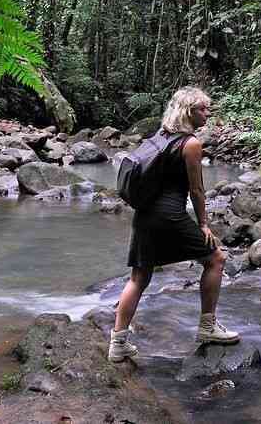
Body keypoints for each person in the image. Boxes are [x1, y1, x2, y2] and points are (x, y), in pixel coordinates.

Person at [108, 86, 239, 362]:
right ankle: (208, 327)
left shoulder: (160, 136)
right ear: (188, 111)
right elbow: (197, 190)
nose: (207, 113)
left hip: (145, 215)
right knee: (216, 258)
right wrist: (204, 224)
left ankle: (117, 344)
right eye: (202, 109)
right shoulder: (190, 144)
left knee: (139, 278)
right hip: (169, 216)